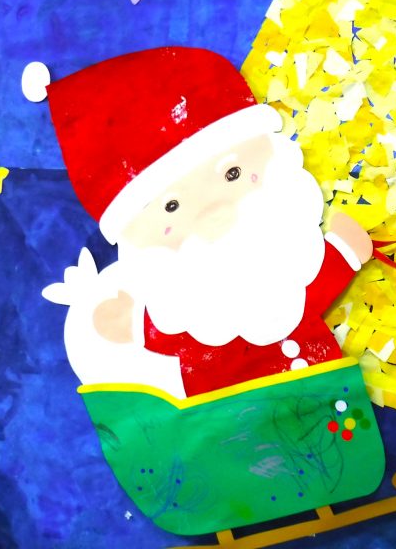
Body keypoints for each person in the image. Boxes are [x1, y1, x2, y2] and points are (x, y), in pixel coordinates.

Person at [33, 46, 371, 397]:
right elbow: (168, 332)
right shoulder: (182, 309)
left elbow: (303, 287)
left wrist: (342, 255)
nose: (212, 209)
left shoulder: (283, 269)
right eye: (172, 206)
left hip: (329, 406)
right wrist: (132, 323)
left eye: (233, 173)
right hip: (227, 420)